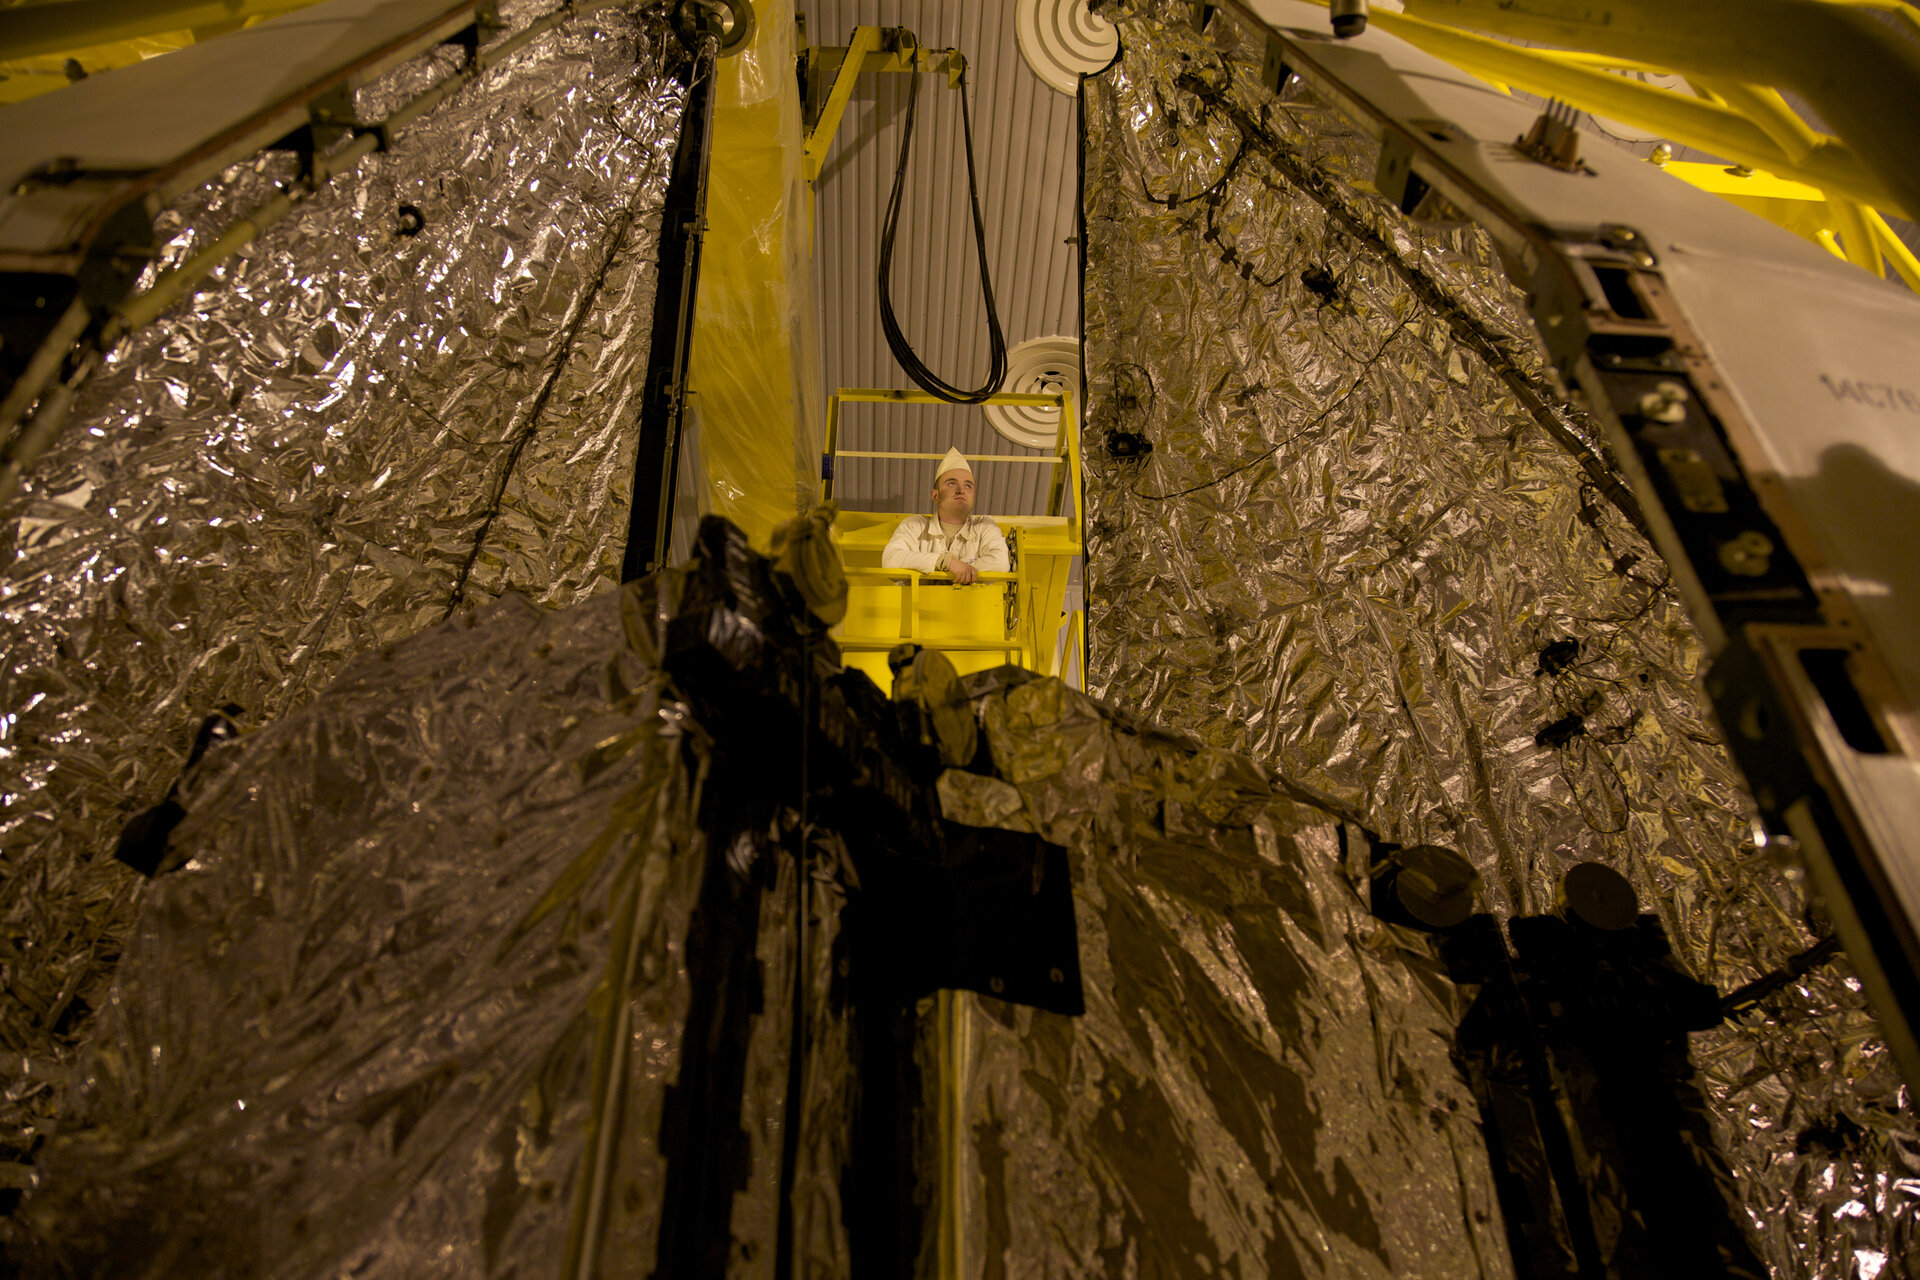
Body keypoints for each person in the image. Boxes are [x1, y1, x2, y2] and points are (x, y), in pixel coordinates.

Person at [881, 448, 1009, 584]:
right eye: (952, 484)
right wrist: (946, 562)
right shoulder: (914, 525)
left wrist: (958, 571)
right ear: (935, 495)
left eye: (968, 486)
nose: (961, 490)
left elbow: (1000, 563)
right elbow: (890, 560)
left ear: (973, 497)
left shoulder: (984, 525)